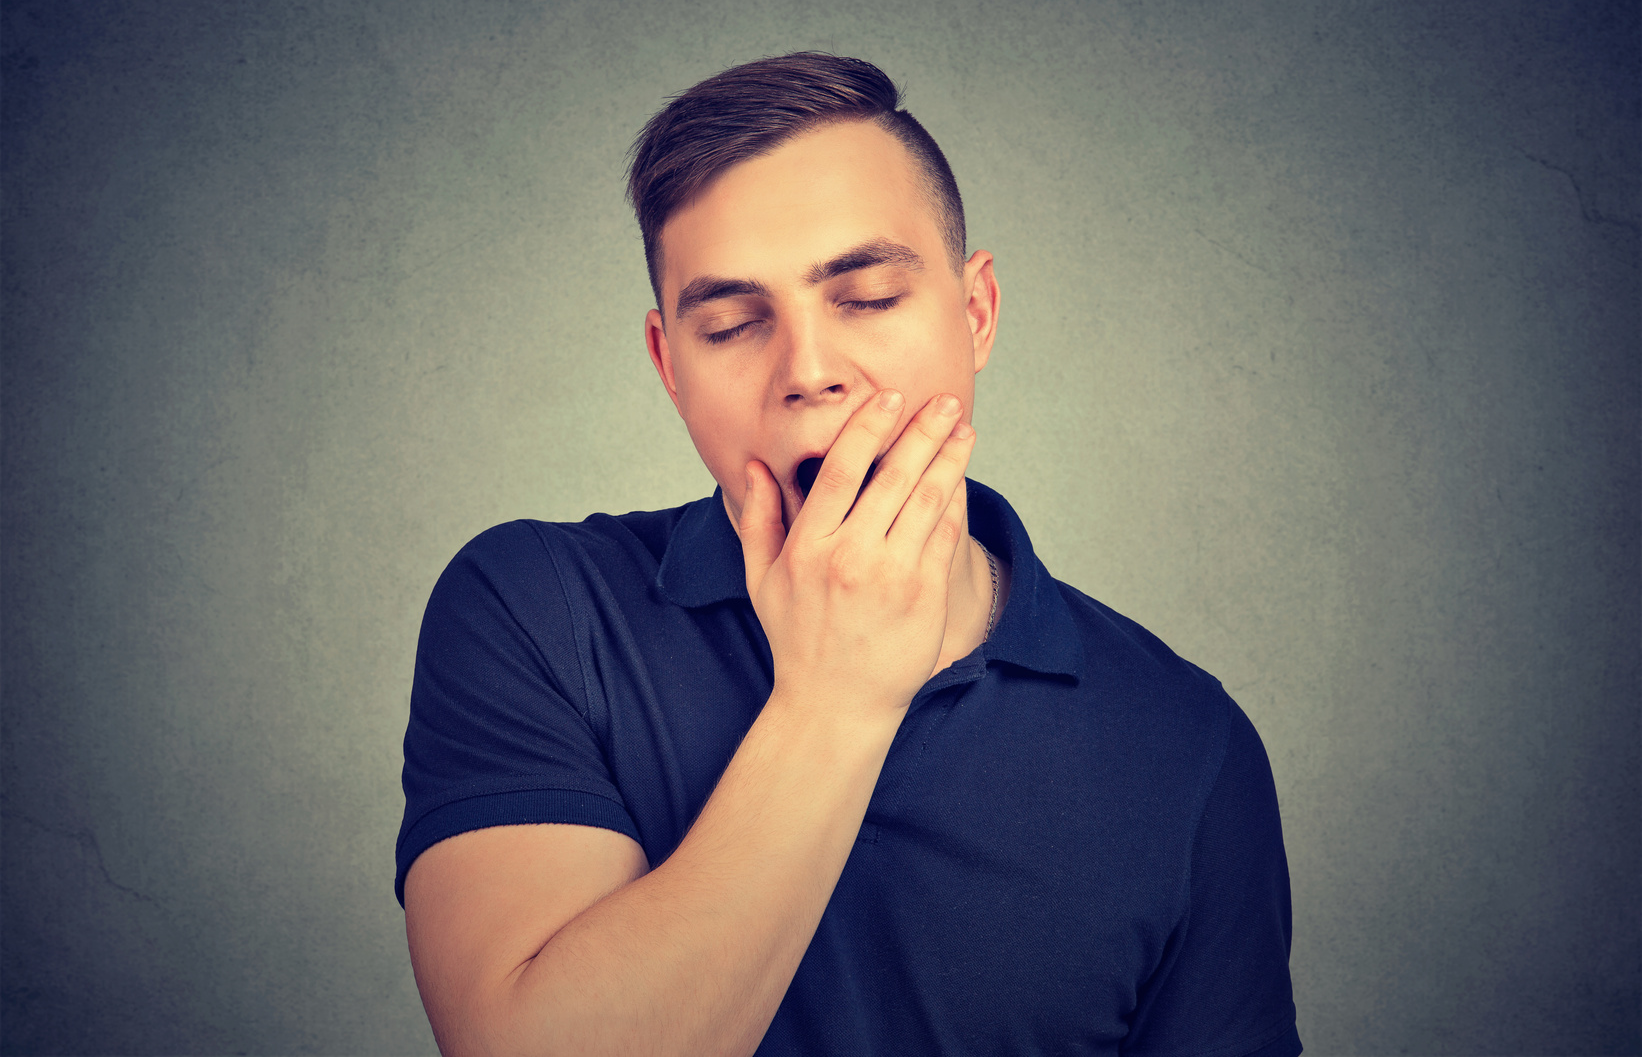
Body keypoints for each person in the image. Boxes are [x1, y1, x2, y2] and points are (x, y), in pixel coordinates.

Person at [395, 53, 1301, 1057]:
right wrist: (834, 698)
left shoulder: (1185, 740)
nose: (809, 370)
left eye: (866, 296)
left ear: (977, 313)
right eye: (733, 323)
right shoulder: (536, 610)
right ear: (668, 365)